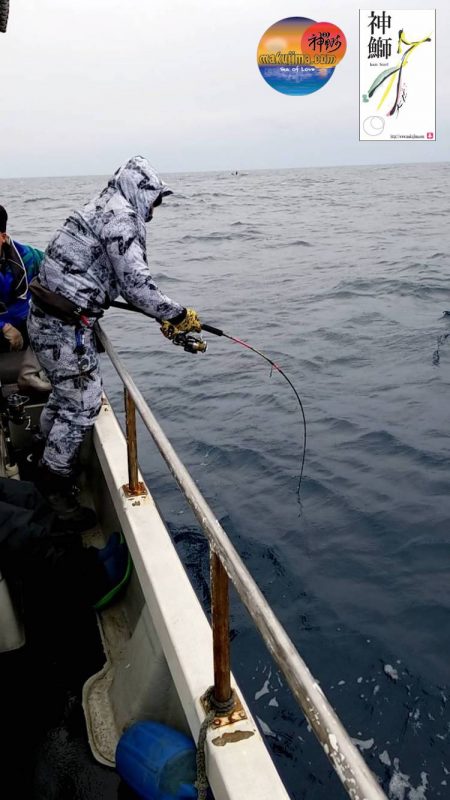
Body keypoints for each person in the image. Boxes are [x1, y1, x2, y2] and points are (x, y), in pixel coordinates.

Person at [28, 155, 202, 531]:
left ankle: (42, 453)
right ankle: (53, 487)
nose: (155, 207)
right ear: (138, 190)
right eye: (154, 198)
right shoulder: (122, 218)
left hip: (47, 319)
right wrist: (176, 315)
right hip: (62, 327)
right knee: (83, 404)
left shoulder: (102, 205)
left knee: (64, 393)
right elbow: (137, 285)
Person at [0, 204, 44, 353]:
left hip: (27, 325)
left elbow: (57, 267)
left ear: (3, 237)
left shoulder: (28, 257)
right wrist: (3, 327)